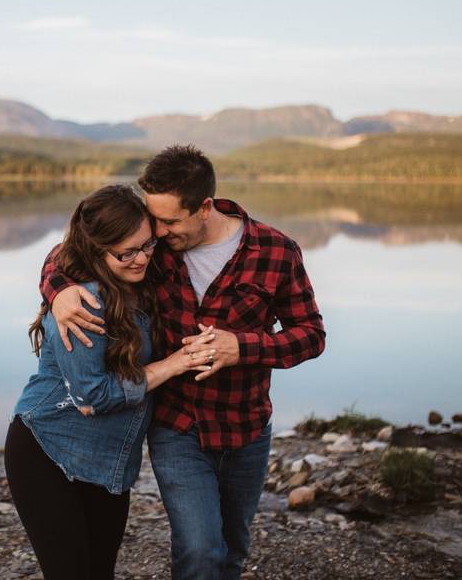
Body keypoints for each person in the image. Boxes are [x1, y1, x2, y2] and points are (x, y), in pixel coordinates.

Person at [40, 145, 326, 580]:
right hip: (177, 427)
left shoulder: (276, 252)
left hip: (245, 427)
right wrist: (58, 289)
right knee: (199, 551)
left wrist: (243, 347)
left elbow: (311, 336)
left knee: (231, 551)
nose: (158, 232)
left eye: (170, 221)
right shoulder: (153, 249)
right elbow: (73, 251)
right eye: (154, 220)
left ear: (205, 207)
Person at [5, 184, 218, 580]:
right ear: (96, 250)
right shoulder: (84, 303)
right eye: (126, 253)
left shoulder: (140, 278)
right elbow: (93, 396)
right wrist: (174, 364)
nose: (142, 259)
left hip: (109, 464)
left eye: (147, 245)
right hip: (49, 452)